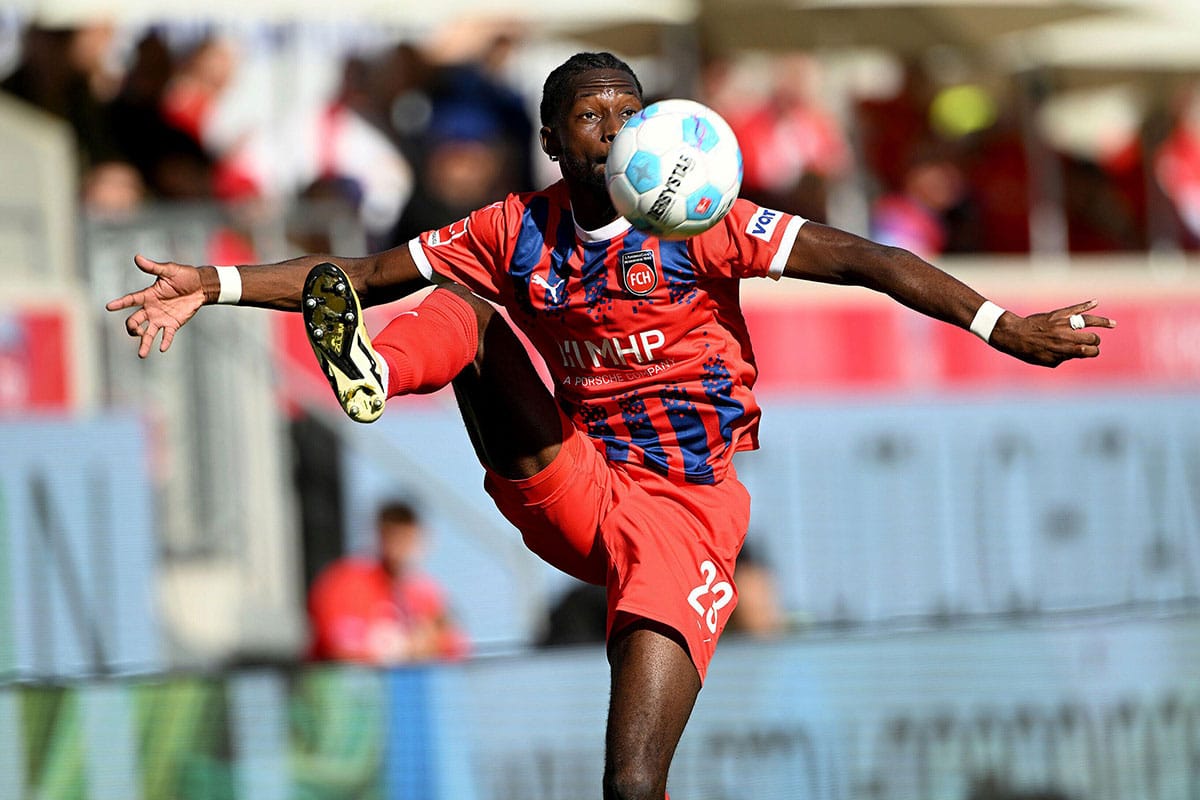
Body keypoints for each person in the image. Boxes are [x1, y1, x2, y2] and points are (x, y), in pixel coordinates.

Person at [107, 51, 1114, 800]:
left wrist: (1003, 322)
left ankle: (390, 362)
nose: (615, 131)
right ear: (552, 137)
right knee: (468, 304)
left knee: (631, 785)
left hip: (685, 515)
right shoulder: (515, 227)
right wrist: (212, 280)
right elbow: (362, 275)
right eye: (592, 118)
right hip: (578, 479)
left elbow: (866, 258)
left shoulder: (702, 219)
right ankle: (382, 364)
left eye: (629, 114)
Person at [306, 499, 469, 665]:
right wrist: (409, 646)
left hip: (406, 687)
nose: (399, 546)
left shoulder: (426, 593)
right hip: (348, 687)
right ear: (379, 535)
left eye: (406, 537)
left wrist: (425, 642)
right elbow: (341, 648)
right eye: (393, 536)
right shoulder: (346, 583)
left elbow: (454, 646)